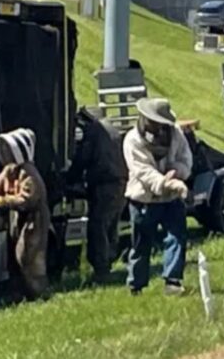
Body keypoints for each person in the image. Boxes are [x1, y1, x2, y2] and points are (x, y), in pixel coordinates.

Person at [123, 98, 193, 296]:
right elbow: (142, 171)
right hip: (143, 199)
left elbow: (186, 159)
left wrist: (177, 172)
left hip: (171, 199)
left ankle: (173, 282)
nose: (160, 127)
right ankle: (136, 285)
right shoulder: (132, 140)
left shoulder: (176, 134)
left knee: (177, 237)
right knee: (141, 244)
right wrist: (166, 183)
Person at [0, 128, 50, 300]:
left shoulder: (29, 173)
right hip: (17, 219)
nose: (6, 153)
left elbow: (27, 200)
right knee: (14, 257)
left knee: (29, 257)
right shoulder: (9, 170)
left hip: (34, 221)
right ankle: (19, 294)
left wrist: (4, 201)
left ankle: (39, 293)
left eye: (9, 149)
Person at [66, 107, 127, 284]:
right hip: (120, 182)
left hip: (104, 184)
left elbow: (84, 158)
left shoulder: (94, 131)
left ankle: (102, 270)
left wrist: (70, 177)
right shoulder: (113, 129)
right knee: (111, 225)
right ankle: (108, 261)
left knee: (98, 226)